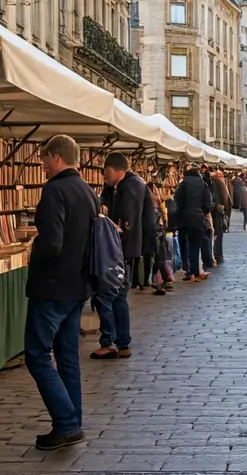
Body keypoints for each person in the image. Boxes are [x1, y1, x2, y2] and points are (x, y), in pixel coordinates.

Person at [23, 135, 96, 451]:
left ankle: (66, 423)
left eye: (43, 158)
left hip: (52, 286)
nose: (41, 163)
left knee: (37, 354)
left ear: (55, 157)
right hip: (78, 285)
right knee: (67, 357)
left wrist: (33, 249)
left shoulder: (54, 191)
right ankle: (72, 421)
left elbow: (51, 243)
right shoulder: (87, 191)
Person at [90, 153, 150, 361]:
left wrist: (115, 228)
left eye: (106, 172)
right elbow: (105, 199)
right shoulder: (121, 186)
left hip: (120, 251)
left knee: (108, 296)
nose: (104, 177)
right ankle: (121, 342)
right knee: (117, 296)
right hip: (123, 250)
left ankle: (112, 342)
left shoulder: (131, 187)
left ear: (116, 170)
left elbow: (128, 220)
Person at [173, 164, 213, 282]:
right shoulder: (203, 184)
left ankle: (188, 270)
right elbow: (207, 204)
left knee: (184, 244)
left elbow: (177, 201)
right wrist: (202, 212)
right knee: (195, 245)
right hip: (198, 219)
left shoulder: (183, 184)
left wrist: (179, 216)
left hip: (184, 219)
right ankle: (194, 271)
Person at [147, 182, 173, 295]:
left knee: (156, 258)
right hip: (160, 231)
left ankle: (158, 282)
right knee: (160, 257)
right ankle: (163, 280)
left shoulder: (149, 200)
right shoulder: (157, 200)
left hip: (154, 231)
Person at [210, 170, 232, 263]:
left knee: (216, 233)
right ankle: (218, 253)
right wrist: (227, 212)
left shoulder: (214, 182)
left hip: (215, 211)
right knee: (218, 234)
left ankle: (216, 253)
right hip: (219, 211)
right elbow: (226, 199)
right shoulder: (220, 183)